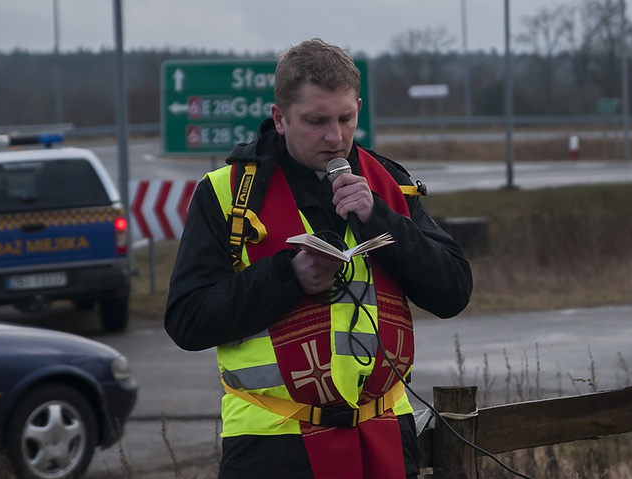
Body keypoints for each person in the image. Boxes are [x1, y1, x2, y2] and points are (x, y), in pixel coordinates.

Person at [164, 38, 473, 479]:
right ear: (280, 119)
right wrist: (289, 277)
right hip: (273, 441)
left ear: (359, 109)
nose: (336, 137)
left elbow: (454, 292)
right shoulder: (225, 194)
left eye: (346, 118)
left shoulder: (389, 185)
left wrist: (380, 218)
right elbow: (187, 321)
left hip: (383, 433)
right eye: (316, 121)